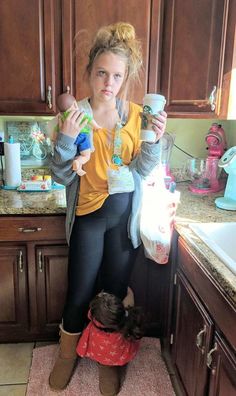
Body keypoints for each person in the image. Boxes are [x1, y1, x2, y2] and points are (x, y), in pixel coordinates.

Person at [49, 21, 167, 393]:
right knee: (80, 292)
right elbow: (60, 176)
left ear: (126, 77)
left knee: (114, 293)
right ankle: (67, 355)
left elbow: (143, 170)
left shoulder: (136, 116)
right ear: (90, 72)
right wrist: (67, 141)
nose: (108, 82)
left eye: (117, 75)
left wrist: (155, 141)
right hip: (87, 221)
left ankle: (108, 358)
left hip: (123, 225)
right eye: (101, 73)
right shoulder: (75, 115)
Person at [76, 291, 144, 395]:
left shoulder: (93, 318)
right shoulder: (124, 321)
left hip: (97, 353)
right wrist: (129, 291)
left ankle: (105, 366)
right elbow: (130, 299)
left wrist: (98, 295)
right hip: (117, 356)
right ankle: (109, 367)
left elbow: (90, 312)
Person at [56, 93, 99, 176]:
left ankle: (78, 167)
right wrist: (96, 126)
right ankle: (78, 162)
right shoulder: (78, 113)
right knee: (86, 156)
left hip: (70, 139)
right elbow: (89, 119)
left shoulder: (62, 117)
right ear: (75, 104)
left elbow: (58, 130)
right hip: (82, 137)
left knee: (74, 154)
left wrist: (55, 139)